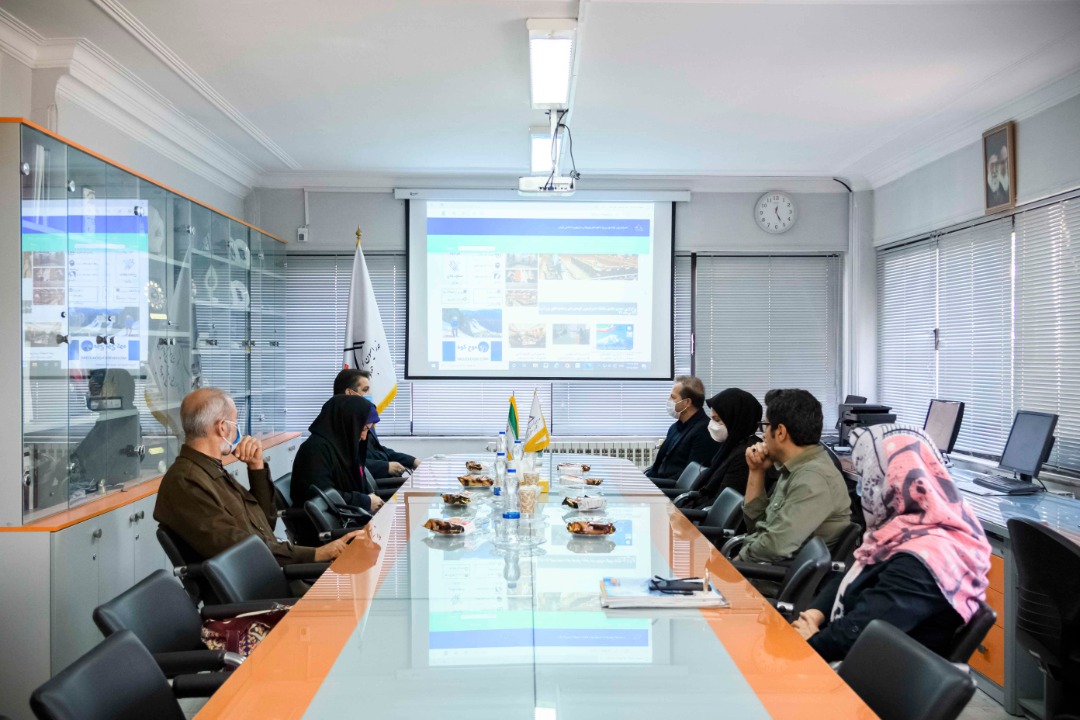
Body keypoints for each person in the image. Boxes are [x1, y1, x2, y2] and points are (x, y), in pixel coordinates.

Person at [792, 424, 992, 662]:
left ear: (885, 481)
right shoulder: (900, 531)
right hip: (858, 655)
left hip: (872, 672)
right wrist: (814, 614)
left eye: (866, 476)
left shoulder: (923, 559)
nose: (863, 488)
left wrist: (806, 643)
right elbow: (852, 576)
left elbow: (857, 635)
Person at [154, 388, 363, 565]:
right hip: (263, 586)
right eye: (235, 421)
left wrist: (256, 468)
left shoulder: (211, 470)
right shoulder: (186, 481)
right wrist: (317, 553)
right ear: (223, 427)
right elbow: (243, 550)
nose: (238, 429)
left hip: (273, 571)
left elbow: (265, 525)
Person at [739, 389, 850, 563]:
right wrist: (756, 471)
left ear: (780, 432)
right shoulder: (795, 468)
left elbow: (774, 546)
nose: (763, 435)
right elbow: (757, 527)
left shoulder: (812, 478)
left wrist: (734, 561)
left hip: (772, 575)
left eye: (766, 426)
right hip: (760, 566)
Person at [291, 394, 386, 514]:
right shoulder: (314, 450)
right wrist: (365, 501)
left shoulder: (345, 446)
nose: (364, 437)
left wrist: (369, 497)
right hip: (329, 522)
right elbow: (322, 498)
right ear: (346, 423)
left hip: (351, 515)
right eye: (363, 429)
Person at [333, 369, 419, 487]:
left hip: (385, 481)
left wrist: (412, 461)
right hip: (369, 487)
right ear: (349, 393)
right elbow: (346, 464)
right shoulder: (340, 424)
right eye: (365, 390)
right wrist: (385, 467)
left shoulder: (365, 418)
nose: (369, 395)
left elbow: (378, 450)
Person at [684, 388, 763, 509]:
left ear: (735, 419)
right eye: (712, 418)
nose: (712, 424)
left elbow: (722, 506)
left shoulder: (746, 455)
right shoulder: (732, 445)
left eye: (717, 420)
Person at [644, 375, 720, 481]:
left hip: (671, 488)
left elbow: (690, 479)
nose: (669, 400)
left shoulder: (704, 431)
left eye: (673, 397)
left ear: (687, 402)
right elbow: (658, 465)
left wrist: (651, 484)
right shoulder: (675, 427)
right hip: (659, 483)